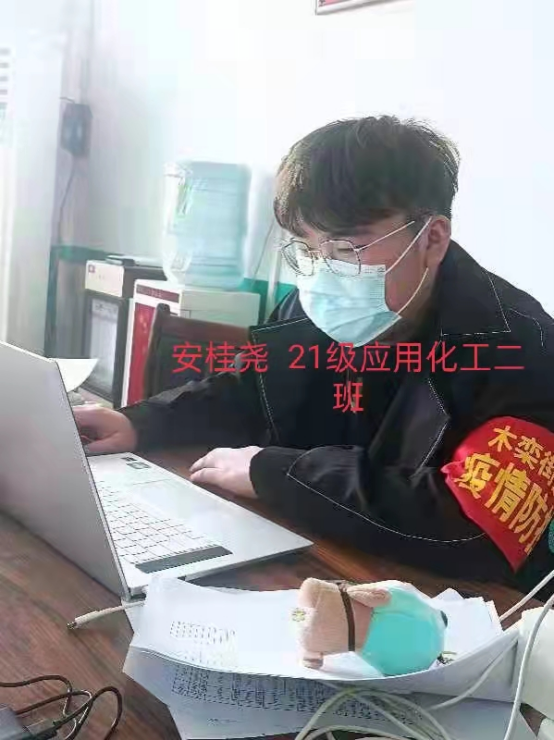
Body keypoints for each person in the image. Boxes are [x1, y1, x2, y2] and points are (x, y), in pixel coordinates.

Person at [74, 115, 554, 594]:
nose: (324, 272)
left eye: (347, 247)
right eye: (307, 247)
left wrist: (278, 474)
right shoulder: (317, 304)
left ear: (432, 239)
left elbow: (472, 525)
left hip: (448, 604)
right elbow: (248, 390)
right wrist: (141, 422)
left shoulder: (524, 348)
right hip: (311, 565)